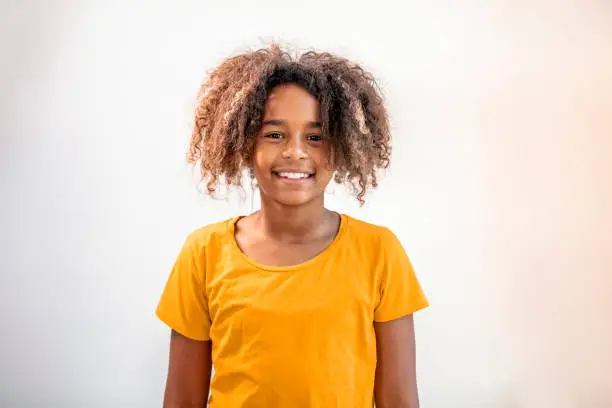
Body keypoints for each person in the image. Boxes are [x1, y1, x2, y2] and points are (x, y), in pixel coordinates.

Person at [156, 44, 429, 408]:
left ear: (343, 146)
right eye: (274, 134)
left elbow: (398, 401)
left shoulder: (379, 252)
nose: (296, 152)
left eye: (315, 137)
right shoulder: (203, 253)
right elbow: (182, 401)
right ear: (243, 144)